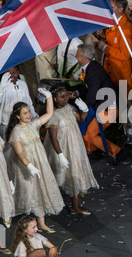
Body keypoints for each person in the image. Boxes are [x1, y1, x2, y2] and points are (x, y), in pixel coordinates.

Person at [6, 89, 65, 233]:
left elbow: (50, 114)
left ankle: (41, 223)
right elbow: (19, 153)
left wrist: (49, 97)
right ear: (18, 116)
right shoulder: (16, 132)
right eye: (25, 113)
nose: (28, 115)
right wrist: (29, 166)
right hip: (24, 166)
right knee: (26, 192)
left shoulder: (33, 124)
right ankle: (14, 218)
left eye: (28, 112)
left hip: (39, 163)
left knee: (40, 190)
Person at [44, 85, 99, 215]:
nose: (66, 99)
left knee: (75, 174)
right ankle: (49, 205)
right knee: (58, 176)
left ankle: (75, 206)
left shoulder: (70, 108)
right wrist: (60, 155)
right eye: (62, 97)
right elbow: (53, 138)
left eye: (66, 96)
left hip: (74, 146)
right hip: (61, 148)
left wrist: (84, 109)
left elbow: (81, 119)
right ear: (55, 99)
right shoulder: (53, 115)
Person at [74, 44, 123, 161]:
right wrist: (76, 93)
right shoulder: (92, 66)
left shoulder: (92, 72)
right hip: (103, 105)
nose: (75, 56)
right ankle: (92, 152)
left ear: (84, 57)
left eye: (77, 54)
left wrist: (84, 107)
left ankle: (117, 153)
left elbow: (92, 95)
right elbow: (90, 88)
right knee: (87, 129)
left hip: (109, 107)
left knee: (89, 134)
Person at [92, 0, 132, 93]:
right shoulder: (113, 22)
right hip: (111, 72)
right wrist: (101, 39)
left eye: (111, 7)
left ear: (120, 9)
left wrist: (105, 47)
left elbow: (125, 55)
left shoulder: (126, 29)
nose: (108, 9)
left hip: (121, 75)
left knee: (125, 104)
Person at [0, 66, 39, 141]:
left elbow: (28, 101)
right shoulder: (3, 86)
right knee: (9, 144)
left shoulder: (22, 84)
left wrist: (33, 115)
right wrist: (1, 87)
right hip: (7, 121)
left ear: (18, 72)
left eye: (14, 73)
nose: (11, 76)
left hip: (23, 120)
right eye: (8, 73)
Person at [0, 134, 15, 254]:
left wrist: (9, 181)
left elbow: (3, 161)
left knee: (2, 209)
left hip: (1, 179)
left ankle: (1, 243)